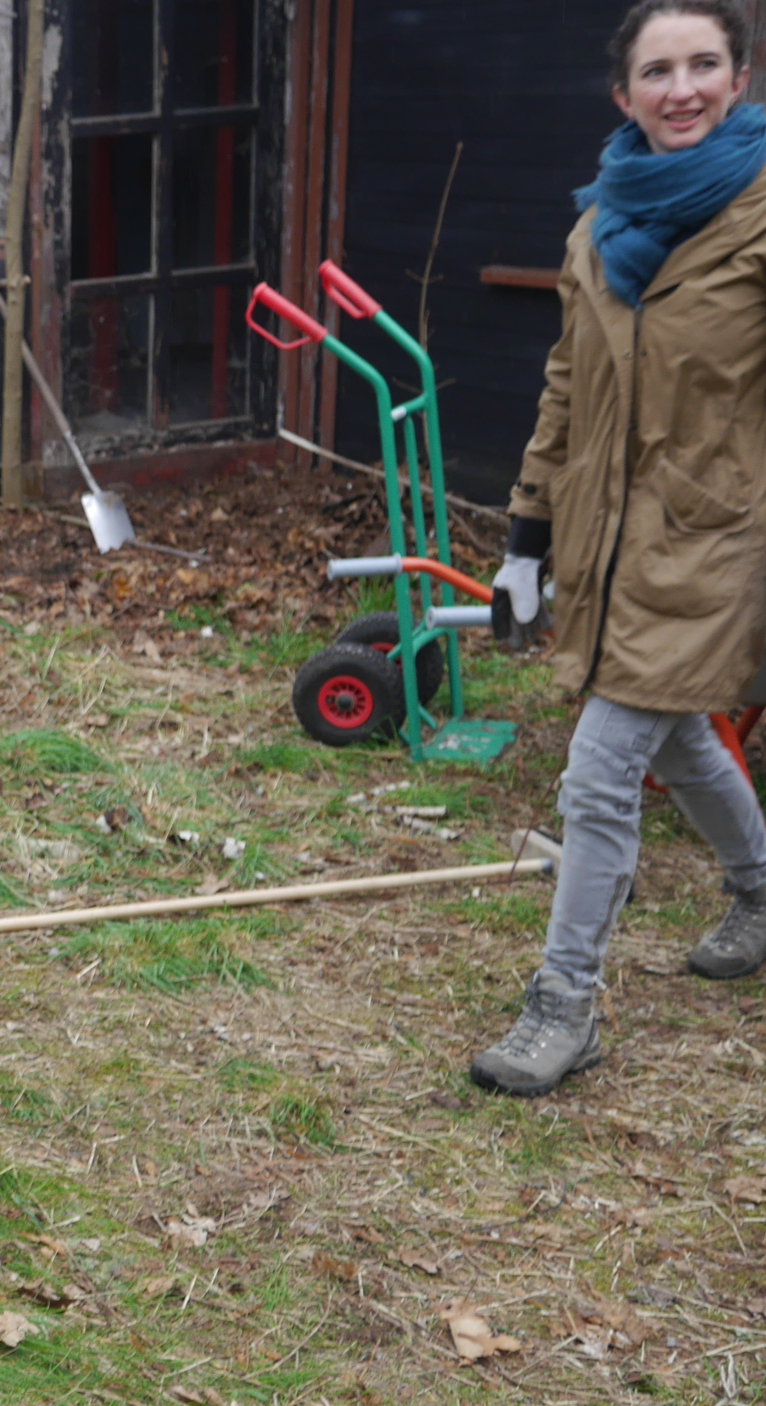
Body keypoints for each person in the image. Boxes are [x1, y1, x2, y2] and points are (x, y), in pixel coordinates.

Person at [472, 0, 766, 1098]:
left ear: (739, 79)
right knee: (678, 732)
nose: (680, 88)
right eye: (658, 70)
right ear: (623, 94)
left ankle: (564, 1005)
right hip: (604, 540)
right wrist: (523, 537)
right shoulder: (598, 228)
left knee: (599, 772)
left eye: (703, 65)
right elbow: (564, 388)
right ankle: (759, 885)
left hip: (715, 542)